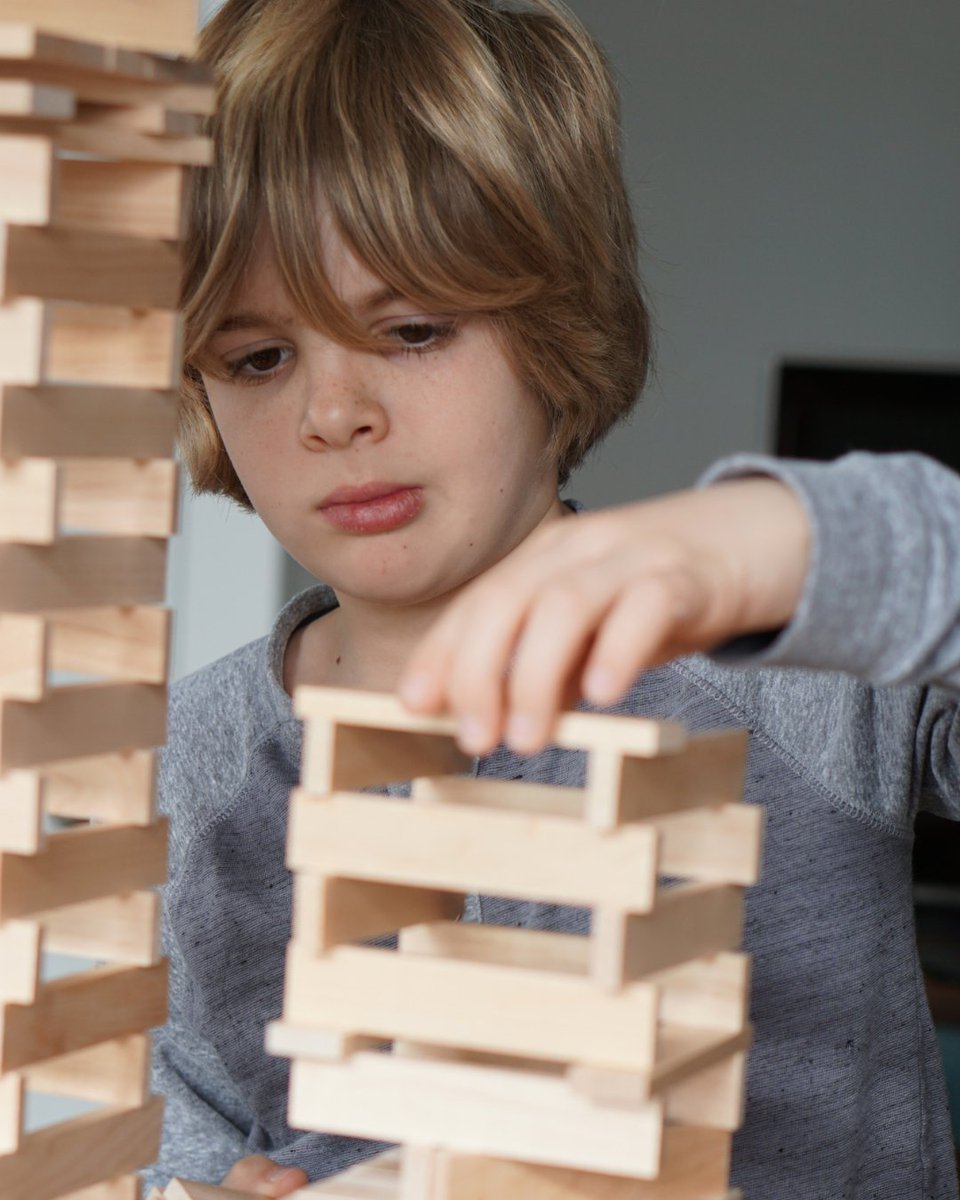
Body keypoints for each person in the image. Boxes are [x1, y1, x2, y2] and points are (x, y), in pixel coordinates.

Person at [145, 0, 960, 1196]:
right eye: (259, 358)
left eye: (413, 329)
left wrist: (794, 544)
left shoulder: (798, 669)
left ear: (553, 324)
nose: (333, 414)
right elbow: (187, 1114)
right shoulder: (191, 768)